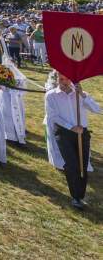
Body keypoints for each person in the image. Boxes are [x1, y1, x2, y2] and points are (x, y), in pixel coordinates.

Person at [44, 71, 100, 210]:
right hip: (64, 133)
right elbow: (53, 116)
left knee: (83, 164)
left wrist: (82, 95)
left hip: (82, 133)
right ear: (57, 78)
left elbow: (97, 109)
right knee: (71, 164)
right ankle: (75, 197)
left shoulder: (80, 93)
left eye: (67, 78)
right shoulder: (51, 95)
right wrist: (72, 127)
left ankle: (81, 194)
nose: (64, 81)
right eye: (61, 78)